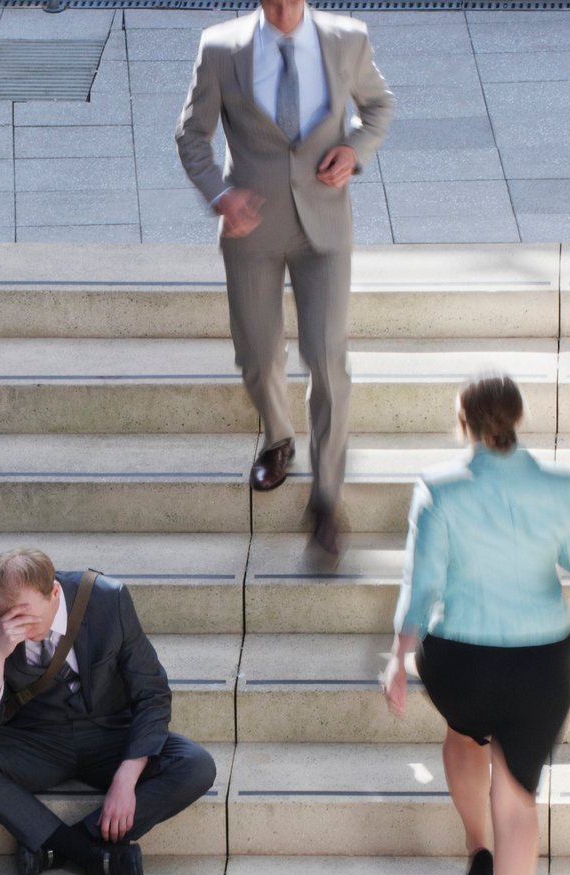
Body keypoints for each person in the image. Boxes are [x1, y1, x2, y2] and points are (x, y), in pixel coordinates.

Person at [382, 376, 570, 875]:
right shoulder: (558, 485)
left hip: (461, 660)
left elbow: (421, 585)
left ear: (464, 422)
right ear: (519, 419)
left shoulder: (440, 488)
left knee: (463, 733)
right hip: (541, 664)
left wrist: (397, 658)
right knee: (519, 794)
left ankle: (476, 847)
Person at [175, 0, 393, 565]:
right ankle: (277, 438)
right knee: (258, 354)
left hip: (324, 225)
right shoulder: (221, 48)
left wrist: (355, 151)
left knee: (326, 359)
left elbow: (378, 108)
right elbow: (192, 135)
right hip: (252, 228)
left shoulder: (348, 38)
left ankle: (326, 498)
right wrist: (220, 196)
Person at [0, 549, 216, 875]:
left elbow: (153, 693)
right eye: (11, 620)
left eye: (30, 619)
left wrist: (127, 779)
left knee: (196, 765)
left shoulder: (106, 600)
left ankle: (57, 846)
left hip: (109, 735)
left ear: (54, 592)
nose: (22, 629)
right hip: (37, 740)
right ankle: (90, 854)